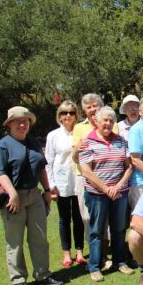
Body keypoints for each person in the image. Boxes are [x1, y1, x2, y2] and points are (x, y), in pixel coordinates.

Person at [0, 106, 63, 285]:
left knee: (39, 238)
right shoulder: (3, 145)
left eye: (26, 121)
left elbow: (40, 167)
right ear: (10, 124)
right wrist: (13, 194)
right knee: (15, 240)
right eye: (18, 121)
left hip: (34, 195)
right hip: (12, 198)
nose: (22, 124)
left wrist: (47, 190)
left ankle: (43, 274)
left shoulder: (32, 142)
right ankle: (18, 278)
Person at [79, 106, 135, 282]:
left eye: (111, 120)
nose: (108, 123)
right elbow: (86, 171)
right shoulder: (87, 141)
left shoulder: (120, 140)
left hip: (119, 193)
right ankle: (94, 266)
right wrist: (106, 188)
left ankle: (120, 261)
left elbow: (129, 167)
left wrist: (117, 186)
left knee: (119, 229)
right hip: (96, 194)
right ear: (97, 121)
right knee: (96, 230)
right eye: (105, 120)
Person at [45, 100, 85, 268]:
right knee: (64, 218)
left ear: (76, 115)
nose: (67, 116)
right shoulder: (53, 135)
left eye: (71, 112)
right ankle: (66, 253)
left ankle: (80, 251)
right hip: (61, 181)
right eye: (63, 113)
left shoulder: (80, 131)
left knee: (79, 218)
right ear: (59, 116)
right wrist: (51, 185)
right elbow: (48, 162)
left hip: (78, 180)